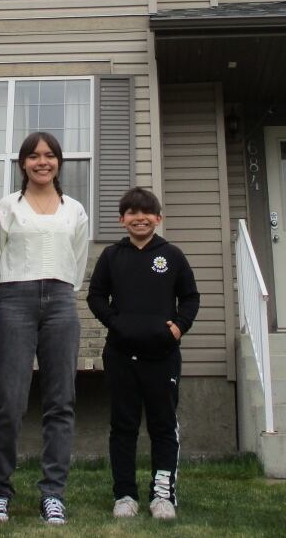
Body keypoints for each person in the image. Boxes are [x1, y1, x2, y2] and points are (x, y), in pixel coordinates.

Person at [0, 131, 89, 526]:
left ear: (58, 162)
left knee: (61, 402)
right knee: (9, 401)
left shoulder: (74, 209)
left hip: (62, 302)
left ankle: (53, 494)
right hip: (14, 300)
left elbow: (78, 261)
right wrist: (13, 297)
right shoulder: (7, 207)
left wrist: (58, 290)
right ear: (23, 163)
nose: (42, 162)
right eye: (33, 156)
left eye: (49, 155)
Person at [86, 187, 199, 521]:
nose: (139, 218)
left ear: (158, 218)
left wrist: (178, 327)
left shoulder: (172, 256)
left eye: (146, 212)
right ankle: (124, 494)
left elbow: (190, 298)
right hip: (120, 355)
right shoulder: (111, 256)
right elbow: (95, 296)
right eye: (132, 213)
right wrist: (115, 322)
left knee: (163, 426)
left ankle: (162, 494)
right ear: (122, 220)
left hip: (162, 357)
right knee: (123, 426)